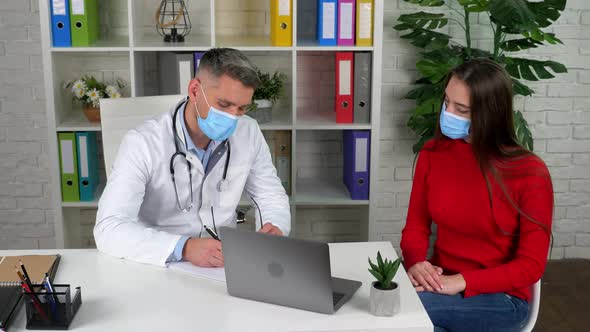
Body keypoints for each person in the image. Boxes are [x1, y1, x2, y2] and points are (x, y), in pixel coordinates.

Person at [94, 48, 290, 267]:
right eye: (224, 105)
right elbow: (109, 228)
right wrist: (184, 247)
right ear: (195, 90)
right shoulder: (143, 142)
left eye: (242, 108)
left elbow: (270, 196)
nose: (232, 117)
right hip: (159, 262)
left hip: (223, 263)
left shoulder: (249, 131)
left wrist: (275, 227)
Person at [400, 58, 553, 332]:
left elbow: (531, 266)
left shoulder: (530, 172)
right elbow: (415, 226)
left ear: (490, 114)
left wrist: (460, 281)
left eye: (461, 109)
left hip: (501, 298)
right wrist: (416, 264)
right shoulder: (433, 154)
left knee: (400, 311)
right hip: (438, 285)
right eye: (447, 102)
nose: (448, 113)